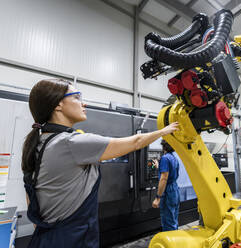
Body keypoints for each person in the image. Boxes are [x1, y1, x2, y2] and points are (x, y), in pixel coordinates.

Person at [22, 79, 178, 248]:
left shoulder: (39, 143)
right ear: (58, 104)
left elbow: (32, 200)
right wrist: (164, 131)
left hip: (44, 237)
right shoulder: (71, 143)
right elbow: (136, 142)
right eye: (77, 97)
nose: (84, 103)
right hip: (72, 239)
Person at [152, 140, 180, 231]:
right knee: (173, 220)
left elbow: (164, 179)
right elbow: (169, 173)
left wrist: (158, 198)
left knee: (168, 222)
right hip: (175, 190)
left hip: (168, 191)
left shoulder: (164, 158)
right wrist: (158, 167)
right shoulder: (174, 158)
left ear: (163, 147)